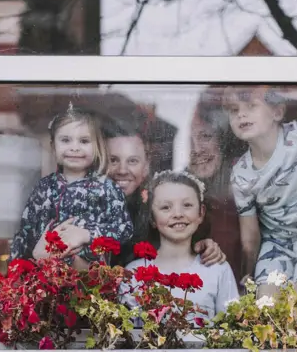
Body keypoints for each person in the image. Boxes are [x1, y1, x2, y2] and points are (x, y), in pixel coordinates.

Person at [225, 86, 297, 300]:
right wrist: (248, 277)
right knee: (267, 310)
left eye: (251, 106)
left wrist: (296, 92)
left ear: (277, 112)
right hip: (276, 246)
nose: (241, 114)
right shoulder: (241, 174)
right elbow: (250, 238)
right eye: (233, 109)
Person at [10, 106, 133, 263]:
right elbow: (25, 232)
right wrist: (15, 270)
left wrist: (86, 234)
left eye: (84, 141)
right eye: (65, 140)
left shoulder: (106, 188)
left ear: (97, 146)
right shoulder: (44, 187)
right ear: (53, 146)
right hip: (46, 275)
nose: (74, 147)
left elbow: (124, 230)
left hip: (90, 280)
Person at [125, 170, 239, 321]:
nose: (178, 213)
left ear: (201, 213)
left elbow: (232, 329)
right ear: (152, 217)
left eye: (187, 205)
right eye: (166, 207)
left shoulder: (217, 269)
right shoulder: (133, 274)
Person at [105, 129, 226, 269]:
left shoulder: (157, 204)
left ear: (146, 165)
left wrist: (205, 246)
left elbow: (182, 237)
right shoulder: (88, 204)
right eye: (113, 160)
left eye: (132, 161)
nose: (122, 170)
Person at [187, 100, 245, 284]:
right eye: (188, 142)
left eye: (205, 136)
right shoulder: (177, 188)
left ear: (221, 139)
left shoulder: (244, 180)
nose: (197, 149)